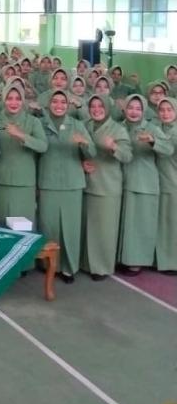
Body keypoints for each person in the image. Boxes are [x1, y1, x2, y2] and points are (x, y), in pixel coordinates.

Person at [37, 89, 95, 282]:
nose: (59, 105)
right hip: (48, 182)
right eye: (55, 101)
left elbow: (92, 153)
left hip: (72, 183)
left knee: (70, 228)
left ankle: (69, 268)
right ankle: (48, 265)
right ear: (48, 104)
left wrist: (84, 143)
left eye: (63, 102)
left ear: (69, 105)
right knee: (49, 226)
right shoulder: (41, 124)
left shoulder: (77, 125)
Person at [118, 94, 172, 275]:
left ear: (143, 111)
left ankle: (137, 261)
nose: (134, 112)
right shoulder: (119, 127)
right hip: (123, 182)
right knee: (126, 224)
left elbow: (168, 149)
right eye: (130, 107)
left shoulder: (151, 128)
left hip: (144, 183)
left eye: (138, 108)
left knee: (141, 224)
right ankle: (124, 257)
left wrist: (153, 141)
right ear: (125, 109)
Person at [81, 94, 132, 280]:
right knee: (88, 228)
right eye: (92, 106)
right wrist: (82, 164)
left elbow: (127, 156)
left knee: (104, 230)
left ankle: (101, 267)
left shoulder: (117, 129)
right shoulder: (85, 126)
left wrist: (113, 148)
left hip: (107, 186)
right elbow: (78, 151)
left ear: (108, 108)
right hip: (87, 184)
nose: (96, 109)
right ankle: (86, 264)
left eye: (100, 106)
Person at [0, 82, 48, 225]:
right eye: (9, 98)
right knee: (0, 227)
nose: (13, 102)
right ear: (3, 99)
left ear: (23, 100)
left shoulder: (32, 121)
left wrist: (21, 136)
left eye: (18, 98)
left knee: (23, 227)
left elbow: (43, 146)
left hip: (24, 182)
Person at [155, 96, 177, 274]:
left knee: (171, 224)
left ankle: (171, 262)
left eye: (169, 110)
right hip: (158, 182)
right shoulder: (157, 129)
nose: (165, 113)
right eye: (162, 110)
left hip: (172, 183)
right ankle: (159, 259)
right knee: (161, 223)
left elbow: (167, 148)